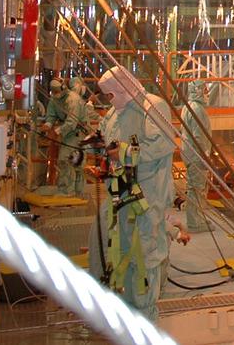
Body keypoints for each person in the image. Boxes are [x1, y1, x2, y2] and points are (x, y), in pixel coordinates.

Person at [94, 66, 177, 322]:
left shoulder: (153, 107)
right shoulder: (113, 113)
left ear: (121, 88)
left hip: (147, 200)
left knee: (145, 257)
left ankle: (145, 319)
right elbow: (105, 139)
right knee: (120, 255)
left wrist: (125, 153)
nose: (109, 99)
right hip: (119, 199)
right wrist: (104, 161)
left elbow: (163, 144)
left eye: (111, 94)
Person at [42, 77, 90, 197]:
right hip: (67, 133)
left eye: (57, 91)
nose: (56, 94)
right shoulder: (54, 100)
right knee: (72, 162)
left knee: (69, 161)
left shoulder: (73, 100)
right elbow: (51, 114)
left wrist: (57, 131)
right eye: (54, 91)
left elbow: (71, 122)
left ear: (64, 88)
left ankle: (69, 191)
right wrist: (48, 125)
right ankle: (73, 191)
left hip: (77, 133)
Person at [180, 80, 213, 233]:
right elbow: (199, 136)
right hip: (196, 155)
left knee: (195, 188)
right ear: (198, 90)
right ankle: (195, 222)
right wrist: (205, 155)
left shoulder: (188, 107)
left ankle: (197, 218)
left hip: (190, 153)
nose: (207, 92)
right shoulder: (197, 109)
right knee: (197, 189)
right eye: (205, 89)